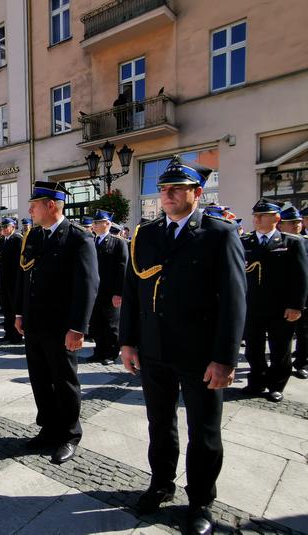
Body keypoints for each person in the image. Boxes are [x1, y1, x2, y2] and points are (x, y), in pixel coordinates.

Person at [119, 157, 247, 535]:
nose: (167, 195)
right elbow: (132, 290)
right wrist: (128, 341)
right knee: (159, 424)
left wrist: (224, 358)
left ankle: (201, 501)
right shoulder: (146, 234)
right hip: (153, 350)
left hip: (199, 353)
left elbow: (234, 301)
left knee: (204, 432)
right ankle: (160, 483)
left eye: (176, 188)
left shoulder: (218, 233)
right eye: (163, 189)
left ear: (197, 193)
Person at [15, 181, 99, 464]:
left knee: (64, 381)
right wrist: (19, 313)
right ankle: (49, 428)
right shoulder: (35, 236)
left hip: (62, 328)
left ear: (51, 205)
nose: (30, 209)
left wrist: (78, 328)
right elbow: (25, 278)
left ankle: (69, 434)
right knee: (40, 379)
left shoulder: (77, 237)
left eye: (34, 204)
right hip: (35, 324)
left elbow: (88, 285)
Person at [241, 200, 308, 401]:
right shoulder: (245, 241)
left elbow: (301, 277)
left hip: (281, 308)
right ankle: (256, 381)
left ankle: (276, 384)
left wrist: (296, 305)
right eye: (255, 215)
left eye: (262, 215)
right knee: (253, 349)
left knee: (280, 349)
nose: (257, 219)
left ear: (276, 218)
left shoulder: (291, 242)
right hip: (252, 307)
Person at [89, 209, 129, 365]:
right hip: (95, 291)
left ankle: (111, 353)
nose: (95, 225)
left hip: (110, 292)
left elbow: (122, 268)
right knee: (96, 322)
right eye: (95, 223)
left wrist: (118, 292)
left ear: (108, 224)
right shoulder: (92, 241)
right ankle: (99, 351)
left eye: (98, 223)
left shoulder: (118, 242)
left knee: (111, 324)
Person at [278, 207, 308, 379]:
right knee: (284, 338)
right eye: (292, 222)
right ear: (281, 225)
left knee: (304, 333)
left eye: (298, 221)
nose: (297, 225)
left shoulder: (304, 241)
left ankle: (302, 363)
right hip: (284, 297)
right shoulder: (281, 242)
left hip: (304, 295)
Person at [0, 217, 23, 344]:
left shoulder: (17, 239)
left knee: (14, 310)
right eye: (3, 227)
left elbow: (20, 263)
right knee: (6, 309)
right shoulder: (2, 241)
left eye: (6, 227)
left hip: (14, 281)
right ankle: (8, 333)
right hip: (4, 280)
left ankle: (16, 336)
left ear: (13, 227)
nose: (4, 230)